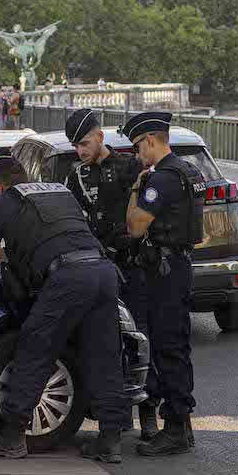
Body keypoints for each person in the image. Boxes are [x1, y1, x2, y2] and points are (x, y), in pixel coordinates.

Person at [0, 151, 128, 463]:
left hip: (67, 278)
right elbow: (59, 237)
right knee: (104, 355)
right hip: (102, 272)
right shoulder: (59, 191)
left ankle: (12, 436)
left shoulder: (3, 202)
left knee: (35, 348)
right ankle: (110, 440)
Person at [62, 109, 154, 438]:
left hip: (130, 266)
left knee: (141, 338)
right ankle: (115, 420)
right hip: (98, 271)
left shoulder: (130, 168)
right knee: (105, 343)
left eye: (85, 143)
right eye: (76, 146)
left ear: (100, 137)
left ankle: (149, 415)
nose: (81, 151)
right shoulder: (75, 178)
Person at [123, 111, 206, 456]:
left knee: (167, 347)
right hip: (181, 266)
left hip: (165, 271)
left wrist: (135, 187)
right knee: (179, 345)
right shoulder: (189, 170)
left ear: (151, 141)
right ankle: (182, 424)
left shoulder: (161, 180)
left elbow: (134, 227)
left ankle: (174, 429)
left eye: (138, 147)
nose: (138, 155)